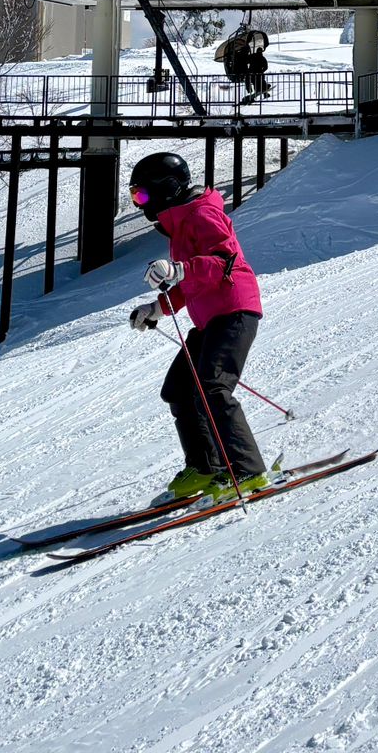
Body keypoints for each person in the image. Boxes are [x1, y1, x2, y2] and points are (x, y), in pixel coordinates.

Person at [127, 151, 269, 501]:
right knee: (178, 388)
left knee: (213, 387)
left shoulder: (202, 214)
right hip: (210, 319)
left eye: (141, 195)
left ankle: (247, 470)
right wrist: (156, 308)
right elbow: (191, 281)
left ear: (167, 189)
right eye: (136, 197)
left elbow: (222, 261)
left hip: (235, 311)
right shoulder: (180, 223)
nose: (140, 204)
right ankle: (207, 467)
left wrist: (180, 270)